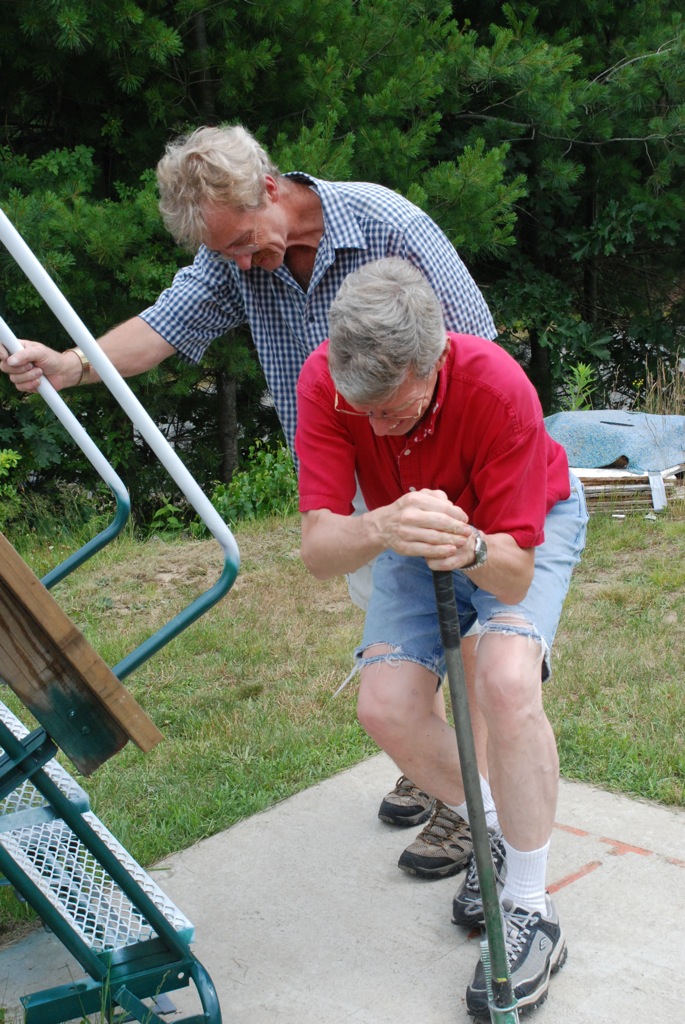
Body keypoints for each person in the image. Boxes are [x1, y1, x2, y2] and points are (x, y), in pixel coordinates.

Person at [0, 124, 496, 878]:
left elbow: (478, 348)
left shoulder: (385, 225)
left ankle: (472, 801)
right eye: (222, 251)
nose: (237, 261)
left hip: (433, 460)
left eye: (240, 241)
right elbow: (162, 328)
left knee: (463, 625)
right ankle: (432, 762)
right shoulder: (230, 260)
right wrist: (69, 365)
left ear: (269, 187)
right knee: (399, 624)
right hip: (346, 481)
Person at [295, 258, 588, 1015]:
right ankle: (496, 835)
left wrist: (468, 547)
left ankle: (531, 909)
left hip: (512, 536)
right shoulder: (324, 381)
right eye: (362, 411)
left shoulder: (497, 387)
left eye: (393, 411)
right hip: (406, 531)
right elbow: (319, 551)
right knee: (384, 707)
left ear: (433, 362)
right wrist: (381, 524)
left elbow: (514, 577)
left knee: (507, 681)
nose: (375, 427)